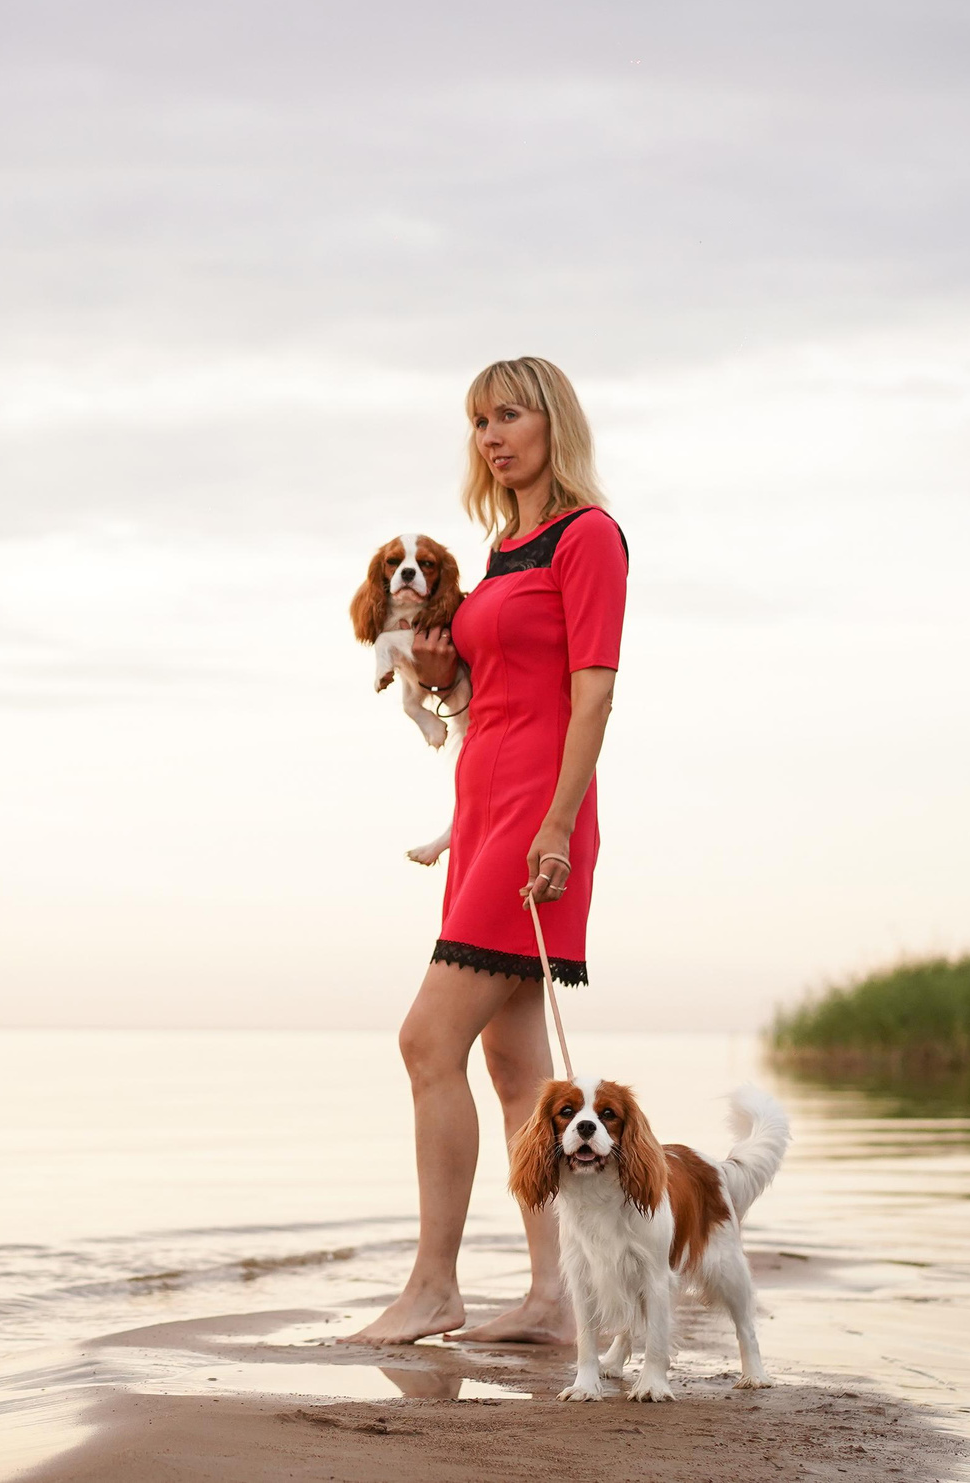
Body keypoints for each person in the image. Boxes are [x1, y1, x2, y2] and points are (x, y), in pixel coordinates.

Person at [343, 356, 627, 1345]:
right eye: (477, 421)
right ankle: (556, 1295)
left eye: (509, 415)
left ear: (553, 423)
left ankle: (433, 1286)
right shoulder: (505, 549)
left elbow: (591, 693)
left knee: (426, 1040)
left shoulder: (587, 537)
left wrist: (555, 824)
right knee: (515, 1070)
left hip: (535, 821)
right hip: (480, 812)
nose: (492, 435)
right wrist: (430, 667)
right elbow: (486, 690)